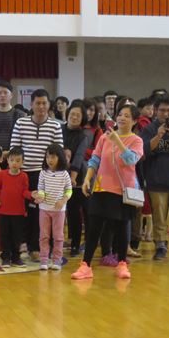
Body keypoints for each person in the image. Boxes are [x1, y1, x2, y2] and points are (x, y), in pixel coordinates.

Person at [72, 104, 144, 280]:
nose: (122, 118)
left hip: (123, 190)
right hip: (101, 187)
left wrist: (117, 140)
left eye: (127, 116)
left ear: (135, 121)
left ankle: (122, 264)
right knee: (94, 227)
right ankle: (85, 265)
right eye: (120, 114)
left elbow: (131, 160)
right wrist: (87, 179)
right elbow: (95, 160)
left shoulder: (136, 140)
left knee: (122, 227)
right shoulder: (104, 137)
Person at [9, 88, 64, 261]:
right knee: (21, 211)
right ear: (31, 104)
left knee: (40, 213)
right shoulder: (21, 123)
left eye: (44, 103)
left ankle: (35, 247)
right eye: (37, 103)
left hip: (44, 176)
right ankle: (20, 244)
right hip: (23, 174)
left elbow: (58, 153)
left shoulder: (55, 126)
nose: (41, 106)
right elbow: (14, 149)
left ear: (49, 105)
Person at [140, 94, 169, 260]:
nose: (166, 114)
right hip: (156, 181)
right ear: (156, 111)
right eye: (162, 110)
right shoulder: (149, 129)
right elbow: (143, 151)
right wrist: (158, 136)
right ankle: (160, 245)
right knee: (159, 217)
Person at [35, 143, 73, 270]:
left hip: (59, 211)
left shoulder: (64, 174)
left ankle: (57, 260)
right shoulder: (43, 173)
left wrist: (63, 200)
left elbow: (69, 190)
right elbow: (41, 188)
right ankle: (44, 260)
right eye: (47, 157)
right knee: (44, 236)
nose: (49, 160)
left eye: (52, 157)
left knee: (58, 236)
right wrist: (40, 196)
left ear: (59, 158)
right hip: (44, 209)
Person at [64, 100, 94, 257]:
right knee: (71, 212)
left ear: (82, 119)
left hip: (79, 178)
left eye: (78, 115)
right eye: (72, 114)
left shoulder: (83, 136)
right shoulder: (59, 130)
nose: (74, 117)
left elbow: (79, 157)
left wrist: (72, 178)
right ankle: (72, 243)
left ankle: (84, 244)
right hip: (60, 175)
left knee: (83, 212)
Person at [0, 146, 31, 267]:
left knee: (17, 236)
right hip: (4, 211)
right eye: (12, 160)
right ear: (7, 161)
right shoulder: (2, 174)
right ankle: (5, 257)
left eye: (17, 160)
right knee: (4, 235)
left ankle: (16, 257)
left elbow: (25, 191)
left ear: (22, 162)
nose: (14, 163)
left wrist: (32, 195)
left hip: (18, 212)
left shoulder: (24, 176)